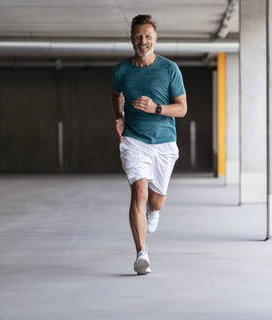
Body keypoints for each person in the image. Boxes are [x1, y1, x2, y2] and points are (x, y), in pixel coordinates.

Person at [111, 14, 187, 275]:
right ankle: (141, 254)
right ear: (132, 38)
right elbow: (115, 94)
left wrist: (156, 108)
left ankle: (153, 212)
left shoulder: (169, 68)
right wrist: (119, 117)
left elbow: (182, 109)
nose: (143, 40)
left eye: (148, 36)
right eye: (138, 36)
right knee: (138, 193)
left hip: (164, 143)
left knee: (155, 202)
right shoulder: (121, 71)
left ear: (154, 38)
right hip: (134, 140)